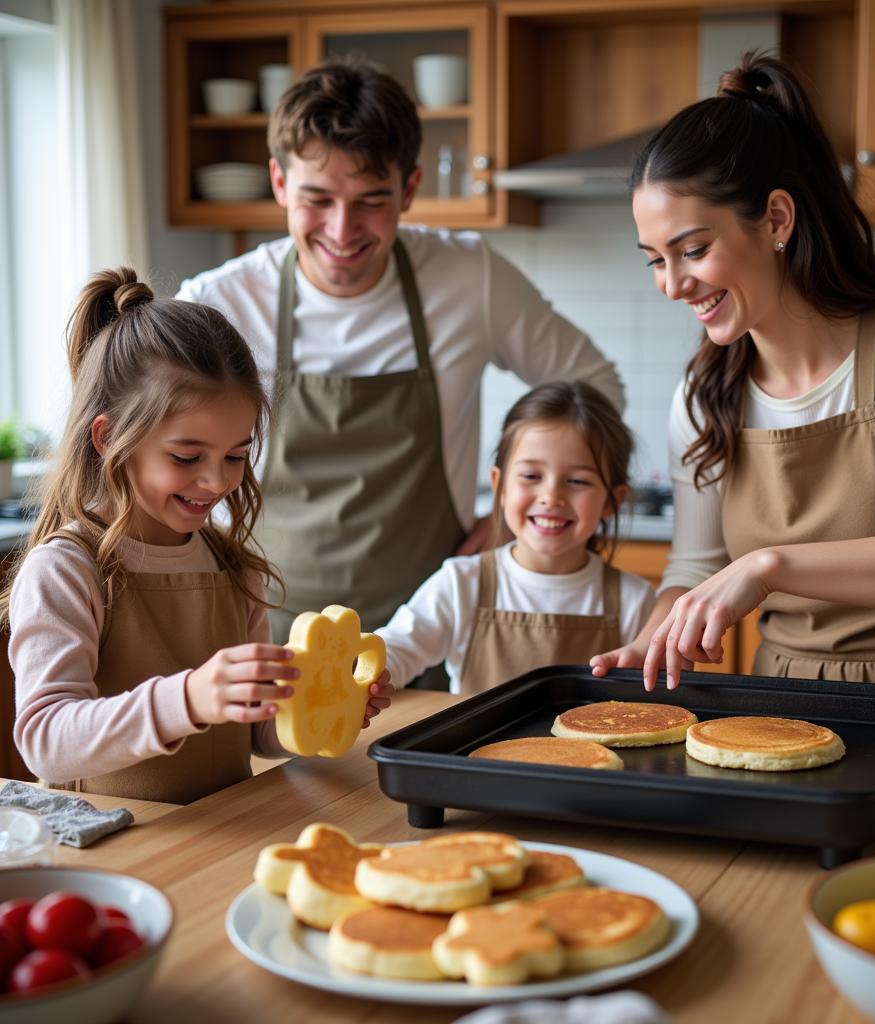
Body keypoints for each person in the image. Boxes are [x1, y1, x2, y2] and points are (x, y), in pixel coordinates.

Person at [590, 53, 875, 730]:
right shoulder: (705, 394)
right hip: (782, 708)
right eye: (655, 260)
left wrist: (770, 567)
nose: (672, 284)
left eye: (693, 249)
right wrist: (662, 629)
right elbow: (698, 563)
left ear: (777, 220)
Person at [176, 56, 624, 643]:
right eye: (317, 199)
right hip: (265, 633)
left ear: (409, 189)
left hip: (434, 631)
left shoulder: (468, 278)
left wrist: (506, 522)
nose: (341, 231)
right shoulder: (219, 304)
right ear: (279, 183)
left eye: (370, 200)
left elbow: (597, 387)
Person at [1, 268, 394, 804]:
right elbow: (46, 742)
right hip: (111, 846)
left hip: (215, 838)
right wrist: (186, 699)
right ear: (109, 437)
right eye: (186, 457)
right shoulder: (66, 569)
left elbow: (257, 733)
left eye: (236, 455)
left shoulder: (235, 567)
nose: (217, 481)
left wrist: (320, 707)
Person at [377, 382, 654, 695]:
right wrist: (371, 675)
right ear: (500, 485)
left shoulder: (635, 601)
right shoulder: (462, 582)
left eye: (577, 481)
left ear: (611, 501)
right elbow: (397, 648)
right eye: (531, 476)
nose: (551, 497)